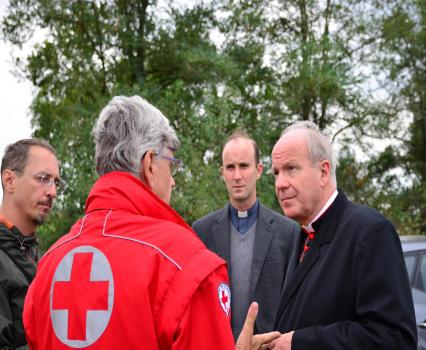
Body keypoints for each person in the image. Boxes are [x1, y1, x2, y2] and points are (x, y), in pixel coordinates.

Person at [22, 96, 279, 350]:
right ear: (149, 165)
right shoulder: (185, 264)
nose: (174, 180)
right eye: (171, 164)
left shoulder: (47, 267)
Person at [268, 121, 417, 349]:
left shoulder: (369, 232)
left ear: (323, 172)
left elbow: (394, 338)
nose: (280, 183)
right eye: (276, 172)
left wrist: (299, 343)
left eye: (291, 168)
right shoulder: (302, 235)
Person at [193, 131, 299, 340]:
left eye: (244, 166)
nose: (237, 176)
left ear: (259, 170)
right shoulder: (201, 231)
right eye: (230, 167)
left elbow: (293, 304)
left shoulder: (288, 232)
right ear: (222, 172)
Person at [0, 138, 62, 349]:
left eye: (56, 182)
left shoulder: (42, 258)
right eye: (43, 178)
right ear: (10, 180)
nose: (52, 192)